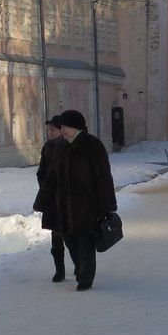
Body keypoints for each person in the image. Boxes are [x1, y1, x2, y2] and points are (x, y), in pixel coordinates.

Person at [52, 109, 118, 291]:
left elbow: (104, 177)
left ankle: (85, 278)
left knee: (85, 241)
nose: (62, 130)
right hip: (64, 204)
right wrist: (46, 200)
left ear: (75, 127)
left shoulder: (93, 145)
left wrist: (106, 205)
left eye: (65, 126)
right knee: (69, 239)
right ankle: (80, 267)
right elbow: (52, 177)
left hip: (87, 204)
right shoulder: (61, 146)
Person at [33, 116, 68, 282]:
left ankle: (80, 266)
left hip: (69, 199)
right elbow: (41, 171)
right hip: (53, 199)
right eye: (48, 130)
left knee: (72, 234)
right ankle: (59, 270)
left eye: (52, 129)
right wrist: (46, 187)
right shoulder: (47, 147)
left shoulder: (70, 146)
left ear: (62, 130)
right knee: (56, 235)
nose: (49, 133)